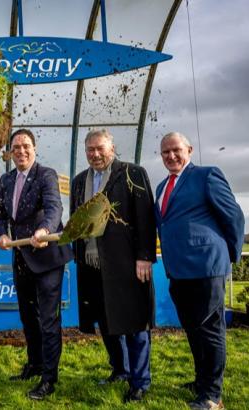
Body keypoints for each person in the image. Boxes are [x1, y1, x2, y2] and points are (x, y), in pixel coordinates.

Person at [154, 132, 244, 410]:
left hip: (207, 267)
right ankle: (201, 381)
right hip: (178, 271)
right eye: (165, 152)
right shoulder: (161, 187)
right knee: (193, 329)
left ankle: (212, 396)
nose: (171, 156)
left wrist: (229, 254)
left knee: (210, 330)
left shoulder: (207, 175)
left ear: (189, 150)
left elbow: (234, 216)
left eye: (176, 150)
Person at [70, 129, 157, 402]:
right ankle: (120, 370)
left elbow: (145, 217)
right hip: (91, 263)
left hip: (127, 263)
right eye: (90, 150)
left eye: (100, 149)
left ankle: (140, 381)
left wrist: (145, 256)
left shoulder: (133, 173)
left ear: (112, 148)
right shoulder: (79, 181)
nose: (95, 155)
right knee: (106, 320)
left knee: (133, 320)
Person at [0, 129, 74, 400]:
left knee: (49, 319)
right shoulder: (5, 180)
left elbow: (54, 209)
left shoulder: (46, 174)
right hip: (20, 258)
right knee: (29, 317)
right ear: (10, 152)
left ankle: (49, 379)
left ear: (34, 148)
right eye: (16, 148)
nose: (21, 151)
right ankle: (35, 363)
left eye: (25, 146)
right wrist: (2, 234)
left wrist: (44, 229)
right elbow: (0, 215)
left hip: (47, 256)